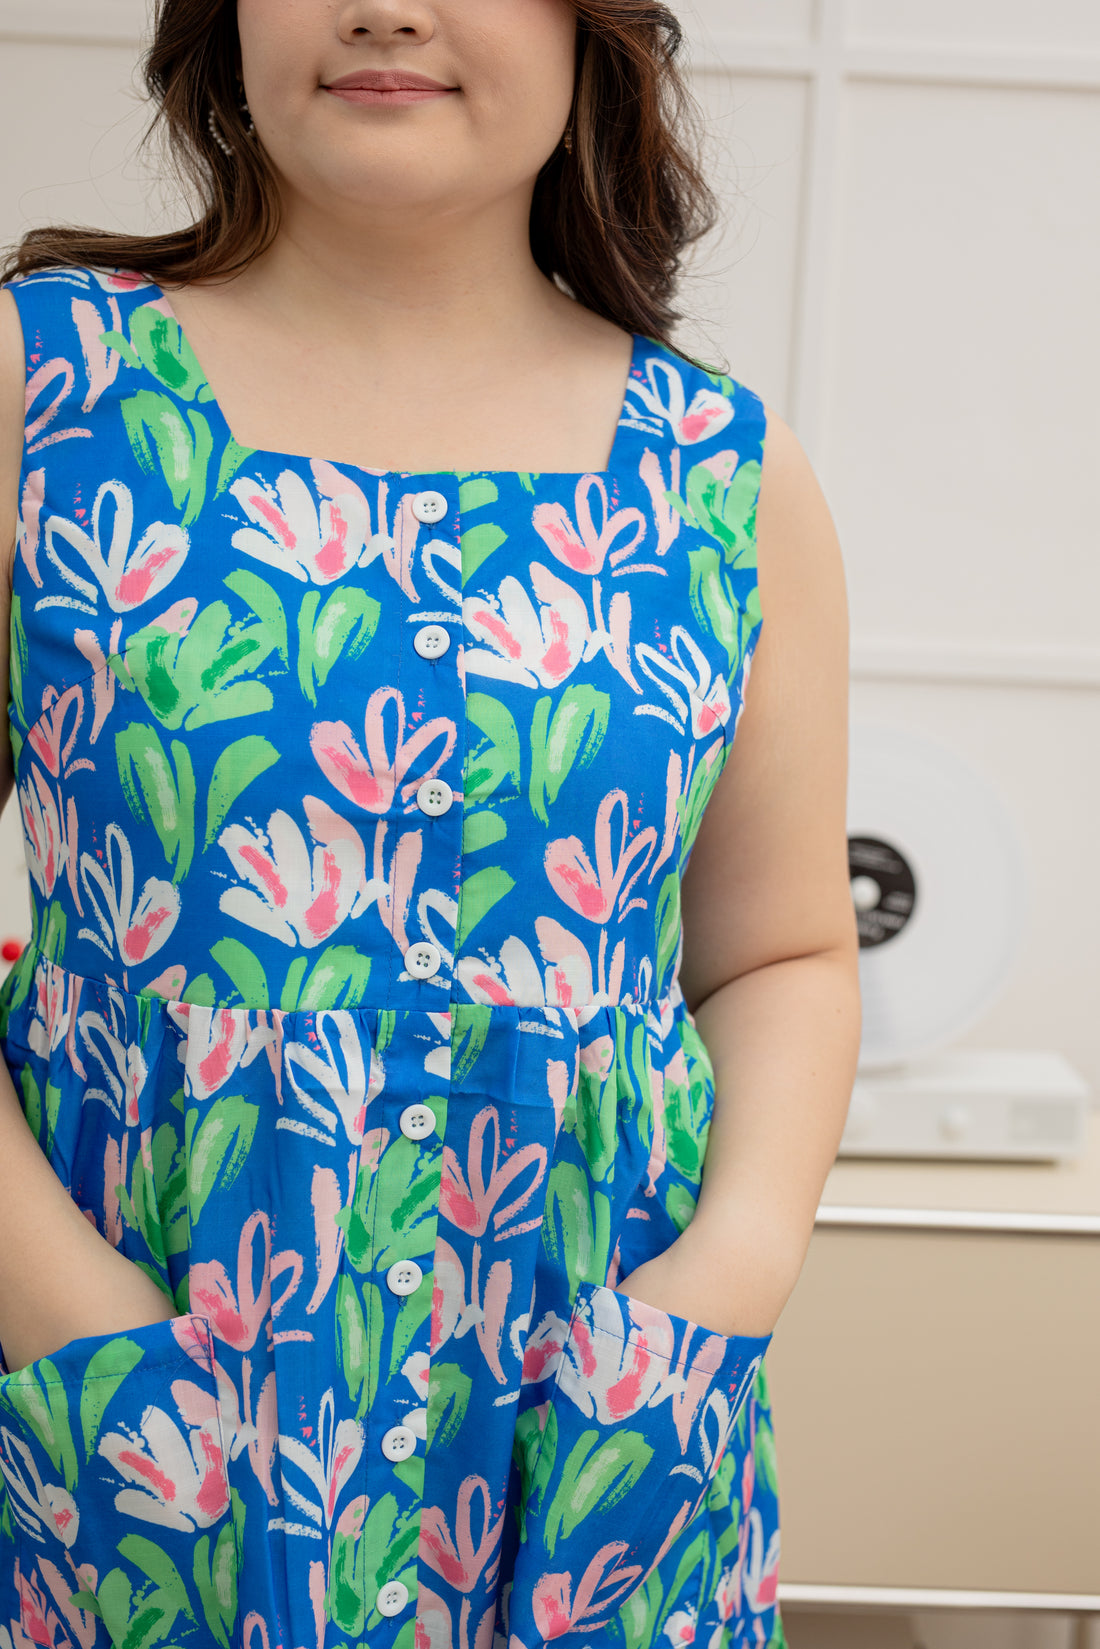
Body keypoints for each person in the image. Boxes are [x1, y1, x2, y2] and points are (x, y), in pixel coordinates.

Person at [0, 1, 860, 1645]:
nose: (385, 5)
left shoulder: (728, 475)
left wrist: (718, 1289)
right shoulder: (47, 387)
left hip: (588, 1418)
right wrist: (73, 1329)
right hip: (128, 1402)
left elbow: (787, 950)